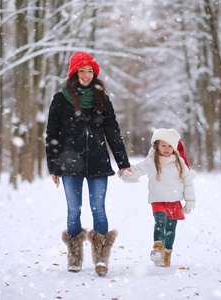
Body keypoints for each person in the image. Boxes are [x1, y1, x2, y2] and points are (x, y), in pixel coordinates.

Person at [45, 52, 131, 276]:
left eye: (90, 71)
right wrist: (53, 166)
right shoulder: (60, 99)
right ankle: (74, 255)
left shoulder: (102, 99)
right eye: (81, 70)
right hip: (69, 163)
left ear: (95, 74)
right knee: (73, 211)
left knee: (98, 209)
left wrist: (123, 162)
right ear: (74, 73)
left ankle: (101, 258)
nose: (86, 75)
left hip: (97, 162)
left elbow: (113, 132)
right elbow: (52, 134)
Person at [120, 128, 196, 267]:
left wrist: (190, 201)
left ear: (174, 147)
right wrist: (128, 173)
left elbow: (188, 183)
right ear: (156, 146)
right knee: (160, 221)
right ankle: (158, 248)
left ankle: (167, 252)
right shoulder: (151, 161)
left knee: (171, 229)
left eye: (170, 145)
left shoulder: (180, 163)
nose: (167, 149)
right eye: (163, 145)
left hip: (174, 201)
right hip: (158, 199)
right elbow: (138, 169)